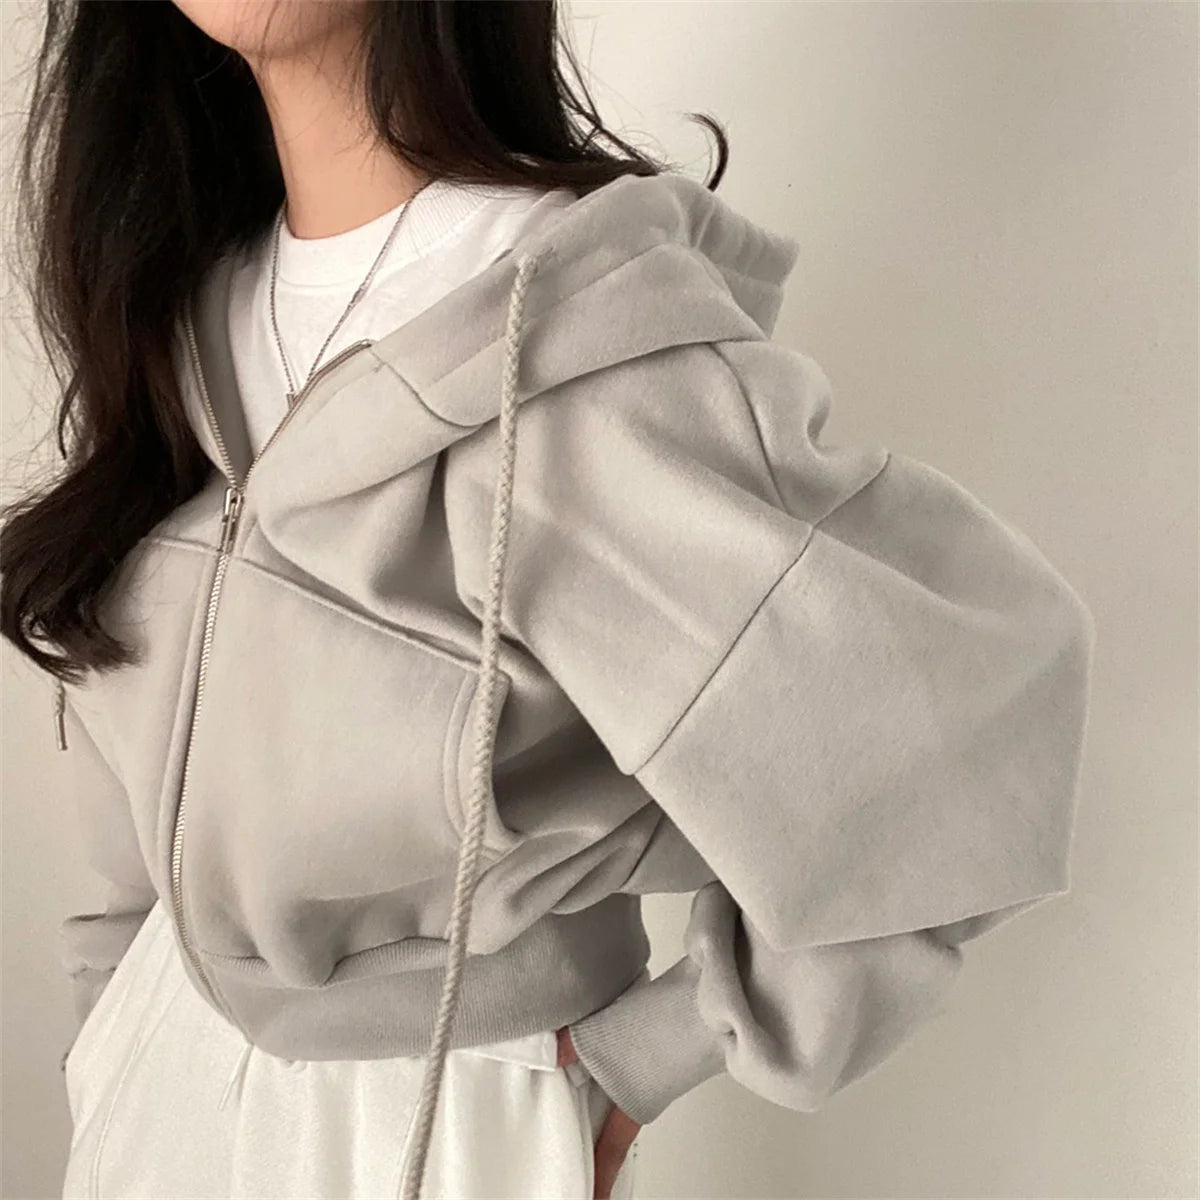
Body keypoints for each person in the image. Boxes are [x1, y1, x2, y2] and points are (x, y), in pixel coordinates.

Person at [0, 2, 1096, 1198]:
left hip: (417, 1119)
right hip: (154, 1092)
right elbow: (135, 820)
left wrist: (659, 1045)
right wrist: (104, 1050)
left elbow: (953, 749)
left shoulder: (565, 341)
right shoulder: (171, 310)